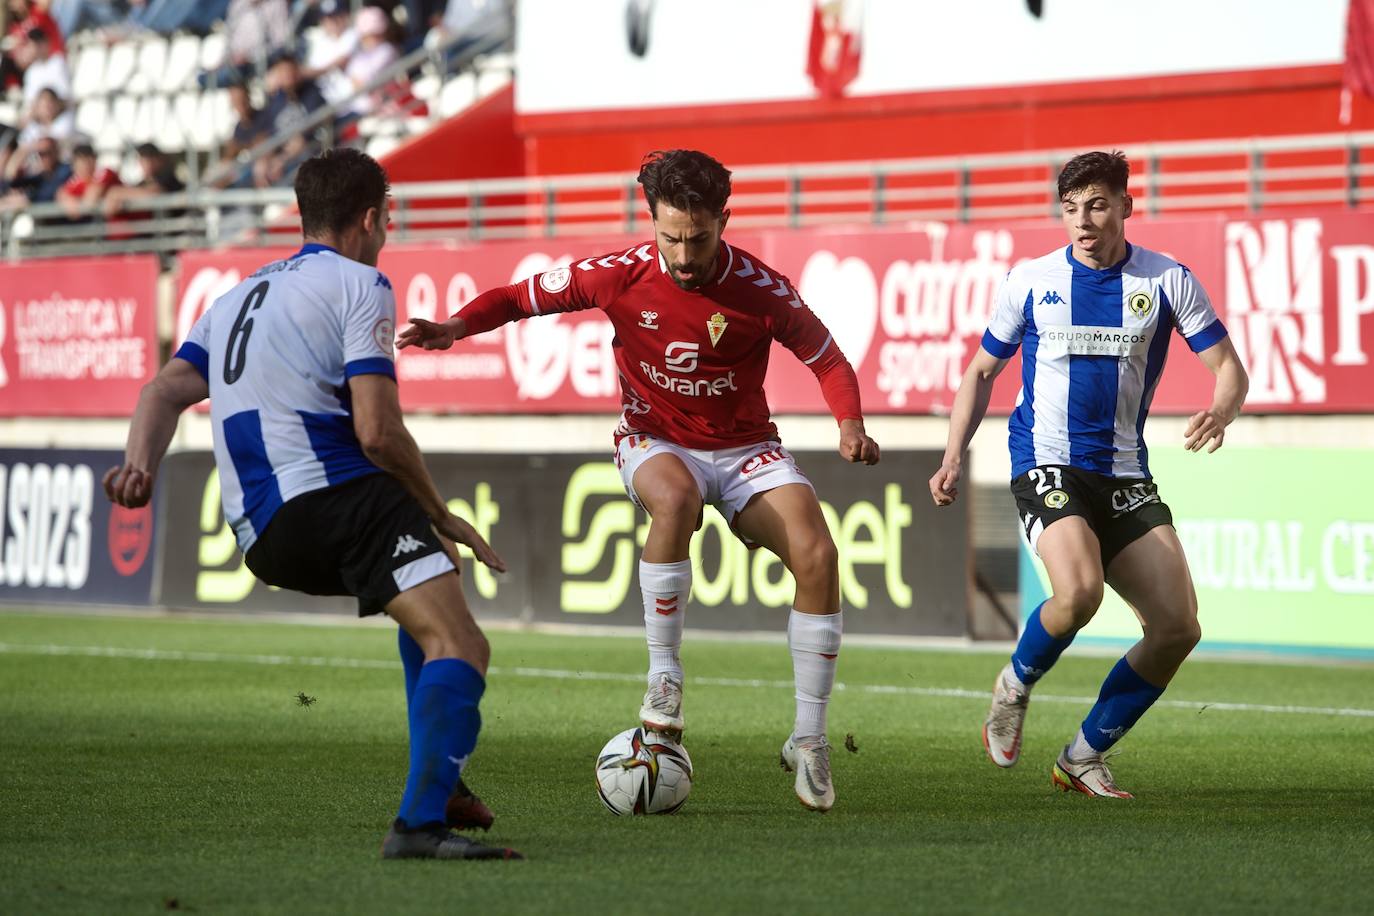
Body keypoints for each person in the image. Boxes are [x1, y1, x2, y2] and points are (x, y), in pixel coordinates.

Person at [399, 148, 881, 812]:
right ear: (651, 221)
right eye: (671, 238)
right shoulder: (618, 274)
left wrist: (848, 423)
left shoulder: (761, 289)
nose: (685, 256)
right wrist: (456, 327)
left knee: (819, 554)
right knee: (676, 499)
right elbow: (517, 298)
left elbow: (826, 357)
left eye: (699, 239)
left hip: (746, 450)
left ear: (724, 221)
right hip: (654, 440)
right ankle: (663, 682)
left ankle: (808, 738)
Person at [104, 148, 522, 861]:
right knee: (464, 643)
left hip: (261, 535)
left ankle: (442, 779)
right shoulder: (362, 284)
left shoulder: (234, 297)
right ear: (369, 218)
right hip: (329, 496)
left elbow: (160, 391)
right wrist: (437, 506)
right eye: (386, 219)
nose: (387, 232)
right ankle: (420, 824)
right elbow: (378, 433)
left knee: (430, 581)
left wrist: (138, 467)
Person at [928, 150, 1250, 798]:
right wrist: (953, 454)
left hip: (1126, 474)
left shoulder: (1166, 280)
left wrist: (1223, 407)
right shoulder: (1032, 279)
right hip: (1047, 461)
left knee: (1179, 628)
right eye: (1071, 208)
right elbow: (980, 373)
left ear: (1126, 207)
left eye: (1098, 205)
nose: (1083, 220)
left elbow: (1229, 366)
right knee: (1079, 593)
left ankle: (1082, 754)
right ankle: (1014, 685)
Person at [56, 141, 119, 221]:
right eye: (81, 161)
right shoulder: (77, 181)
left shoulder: (105, 172)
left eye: (88, 160)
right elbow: (62, 192)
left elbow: (91, 198)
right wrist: (67, 199)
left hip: (133, 225)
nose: (86, 165)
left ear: (95, 160)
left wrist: (77, 205)